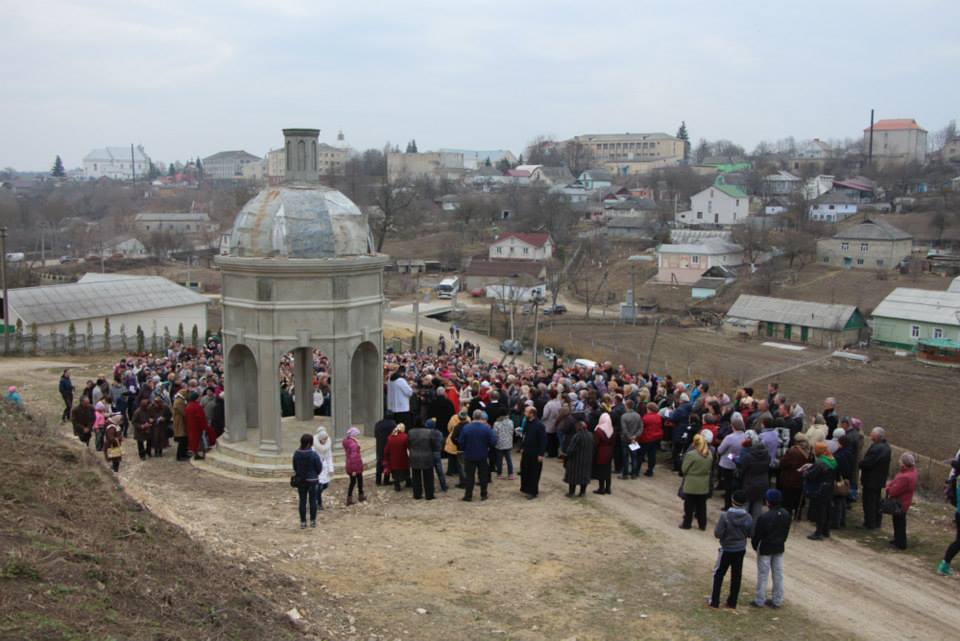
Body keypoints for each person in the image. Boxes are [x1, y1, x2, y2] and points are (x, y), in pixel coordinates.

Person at [710, 490, 753, 609]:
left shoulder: (725, 516)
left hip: (727, 549)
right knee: (736, 576)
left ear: (732, 500)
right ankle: (732, 602)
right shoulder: (748, 517)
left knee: (719, 574)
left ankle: (714, 601)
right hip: (740, 549)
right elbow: (750, 533)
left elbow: (718, 533)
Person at [751, 489, 791, 609]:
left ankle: (759, 600)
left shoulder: (764, 517)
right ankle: (777, 600)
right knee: (778, 574)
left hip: (765, 548)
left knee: (763, 574)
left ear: (768, 502)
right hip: (779, 547)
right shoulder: (786, 514)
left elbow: (757, 535)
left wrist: (755, 545)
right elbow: (786, 532)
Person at [457, 410, 498, 502]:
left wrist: (465, 448)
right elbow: (493, 441)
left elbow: (461, 442)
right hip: (482, 455)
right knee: (483, 476)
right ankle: (483, 494)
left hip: (469, 455)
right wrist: (487, 446)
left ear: (472, 416)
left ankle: (468, 495)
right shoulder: (486, 428)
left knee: (469, 476)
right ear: (481, 417)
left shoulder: (466, 428)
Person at [804, 442, 838, 541]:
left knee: (820, 510)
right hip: (830, 487)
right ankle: (826, 530)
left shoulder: (820, 462)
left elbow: (812, 475)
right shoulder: (832, 460)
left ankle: (818, 532)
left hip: (820, 488)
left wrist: (805, 473)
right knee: (827, 509)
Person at [859, 427, 892, 530]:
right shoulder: (887, 447)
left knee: (869, 502)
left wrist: (860, 463)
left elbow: (868, 462)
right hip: (879, 480)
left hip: (870, 480)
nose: (870, 435)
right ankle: (877, 522)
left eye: (872, 434)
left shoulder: (876, 448)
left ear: (877, 436)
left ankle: (869, 523)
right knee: (876, 501)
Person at [885, 452, 918, 550]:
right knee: (899, 522)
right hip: (905, 501)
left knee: (899, 523)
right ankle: (897, 540)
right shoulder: (913, 472)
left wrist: (888, 488)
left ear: (904, 463)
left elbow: (894, 491)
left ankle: (900, 543)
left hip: (900, 503)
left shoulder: (905, 477)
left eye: (901, 461)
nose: (899, 462)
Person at [680, 433, 713, 530]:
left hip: (692, 482)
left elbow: (684, 469)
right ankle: (702, 525)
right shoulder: (709, 454)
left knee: (689, 505)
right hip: (703, 482)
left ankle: (687, 523)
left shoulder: (691, 455)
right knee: (702, 505)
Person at [292, 433, 323, 529]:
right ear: (309, 443)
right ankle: (313, 521)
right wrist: (315, 474)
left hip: (301, 480)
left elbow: (295, 467)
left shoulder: (296, 453)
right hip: (312, 480)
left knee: (302, 501)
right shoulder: (313, 454)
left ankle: (303, 522)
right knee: (313, 500)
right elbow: (319, 467)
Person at [779, 432, 812, 519]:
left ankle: (787, 516)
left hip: (790, 478)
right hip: (802, 479)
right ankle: (798, 515)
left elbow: (783, 463)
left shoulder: (793, 451)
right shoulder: (809, 450)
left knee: (788, 500)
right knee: (799, 499)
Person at [717, 413, 747, 510]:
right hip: (740, 464)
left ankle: (727, 505)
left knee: (728, 487)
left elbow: (720, 450)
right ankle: (738, 503)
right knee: (737, 485)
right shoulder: (746, 437)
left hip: (727, 464)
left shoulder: (729, 438)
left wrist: (730, 455)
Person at [739, 432, 771, 520]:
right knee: (757, 510)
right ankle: (754, 531)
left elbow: (743, 468)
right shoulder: (767, 457)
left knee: (745, 506)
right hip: (763, 484)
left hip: (749, 483)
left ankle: (744, 528)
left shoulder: (749, 457)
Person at [937, 458, 960, 575]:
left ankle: (944, 565)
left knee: (958, 541)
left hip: (959, 513)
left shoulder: (957, 478)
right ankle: (944, 565)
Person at [519, 405, 547, 499]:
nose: (524, 413)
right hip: (527, 450)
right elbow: (524, 436)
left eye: (526, 412)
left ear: (532, 414)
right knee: (525, 470)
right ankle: (526, 488)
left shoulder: (539, 425)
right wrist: (522, 446)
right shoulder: (527, 423)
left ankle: (533, 491)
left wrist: (541, 454)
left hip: (535, 452)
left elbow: (543, 440)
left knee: (534, 472)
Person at [407, 421, 438, 500]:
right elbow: (434, 444)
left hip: (415, 457)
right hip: (427, 456)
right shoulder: (429, 432)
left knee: (416, 477)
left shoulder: (410, 432)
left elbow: (408, 444)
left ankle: (417, 494)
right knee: (428, 477)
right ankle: (429, 494)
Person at [564, 421, 594, 497]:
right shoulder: (590, 435)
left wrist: (567, 455)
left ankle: (571, 492)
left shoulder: (577, 436)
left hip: (576, 460)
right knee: (584, 476)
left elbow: (571, 449)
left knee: (573, 476)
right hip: (587, 459)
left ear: (579, 427)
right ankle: (582, 492)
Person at [185, 391, 215, 460]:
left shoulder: (188, 406)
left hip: (191, 426)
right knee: (202, 440)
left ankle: (196, 454)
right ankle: (204, 454)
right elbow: (201, 417)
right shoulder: (197, 406)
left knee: (194, 441)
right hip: (198, 427)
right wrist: (205, 427)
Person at [383, 423, 410, 492]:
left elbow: (386, 450)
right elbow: (408, 447)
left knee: (395, 474)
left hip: (393, 459)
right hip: (403, 458)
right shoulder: (405, 436)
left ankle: (397, 486)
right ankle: (408, 483)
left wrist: (386, 458)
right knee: (406, 471)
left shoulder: (390, 437)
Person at [638, 402, 663, 477]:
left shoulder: (646, 418)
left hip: (646, 438)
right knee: (652, 455)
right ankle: (650, 470)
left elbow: (641, 427)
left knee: (640, 454)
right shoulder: (658, 417)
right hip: (656, 438)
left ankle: (637, 469)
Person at [593, 412, 615, 495]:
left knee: (601, 470)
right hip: (609, 451)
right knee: (608, 470)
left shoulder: (598, 430)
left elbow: (596, 443)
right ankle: (608, 488)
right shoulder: (611, 429)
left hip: (601, 452)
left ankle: (601, 488)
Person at [619, 400, 642, 479]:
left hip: (625, 439)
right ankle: (634, 474)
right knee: (634, 457)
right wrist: (635, 436)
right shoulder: (638, 415)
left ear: (626, 406)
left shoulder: (624, 416)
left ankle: (625, 474)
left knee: (625, 457)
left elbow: (624, 429)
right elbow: (641, 428)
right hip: (634, 440)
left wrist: (629, 437)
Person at [343, 427, 366, 505]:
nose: (358, 436)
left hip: (350, 465)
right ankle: (353, 497)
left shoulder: (348, 441)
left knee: (358, 480)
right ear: (354, 435)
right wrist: (354, 470)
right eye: (357, 435)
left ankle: (358, 495)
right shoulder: (353, 445)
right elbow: (354, 458)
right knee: (354, 481)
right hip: (355, 466)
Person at [313, 426, 334, 511]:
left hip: (325, 467)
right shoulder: (314, 446)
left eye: (326, 439)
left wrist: (330, 468)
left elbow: (329, 457)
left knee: (325, 485)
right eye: (323, 439)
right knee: (319, 486)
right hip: (317, 468)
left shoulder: (327, 445)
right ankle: (318, 503)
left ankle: (314, 497)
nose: (325, 441)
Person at [374, 415, 397, 486]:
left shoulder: (378, 424)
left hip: (379, 444)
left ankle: (378, 480)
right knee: (387, 462)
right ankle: (386, 480)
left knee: (379, 461)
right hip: (388, 445)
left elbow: (375, 435)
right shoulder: (392, 424)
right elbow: (394, 435)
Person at [493, 412, 515, 480]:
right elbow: (512, 431)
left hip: (499, 444)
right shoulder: (511, 422)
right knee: (509, 459)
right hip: (508, 443)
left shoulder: (496, 423)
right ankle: (510, 474)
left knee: (499, 460)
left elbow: (495, 433)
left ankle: (499, 474)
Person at [172, 389, 189, 461]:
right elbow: (184, 412)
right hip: (180, 423)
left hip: (181, 422)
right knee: (182, 440)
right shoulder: (179, 402)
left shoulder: (180, 400)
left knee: (184, 440)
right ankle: (180, 456)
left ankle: (184, 454)